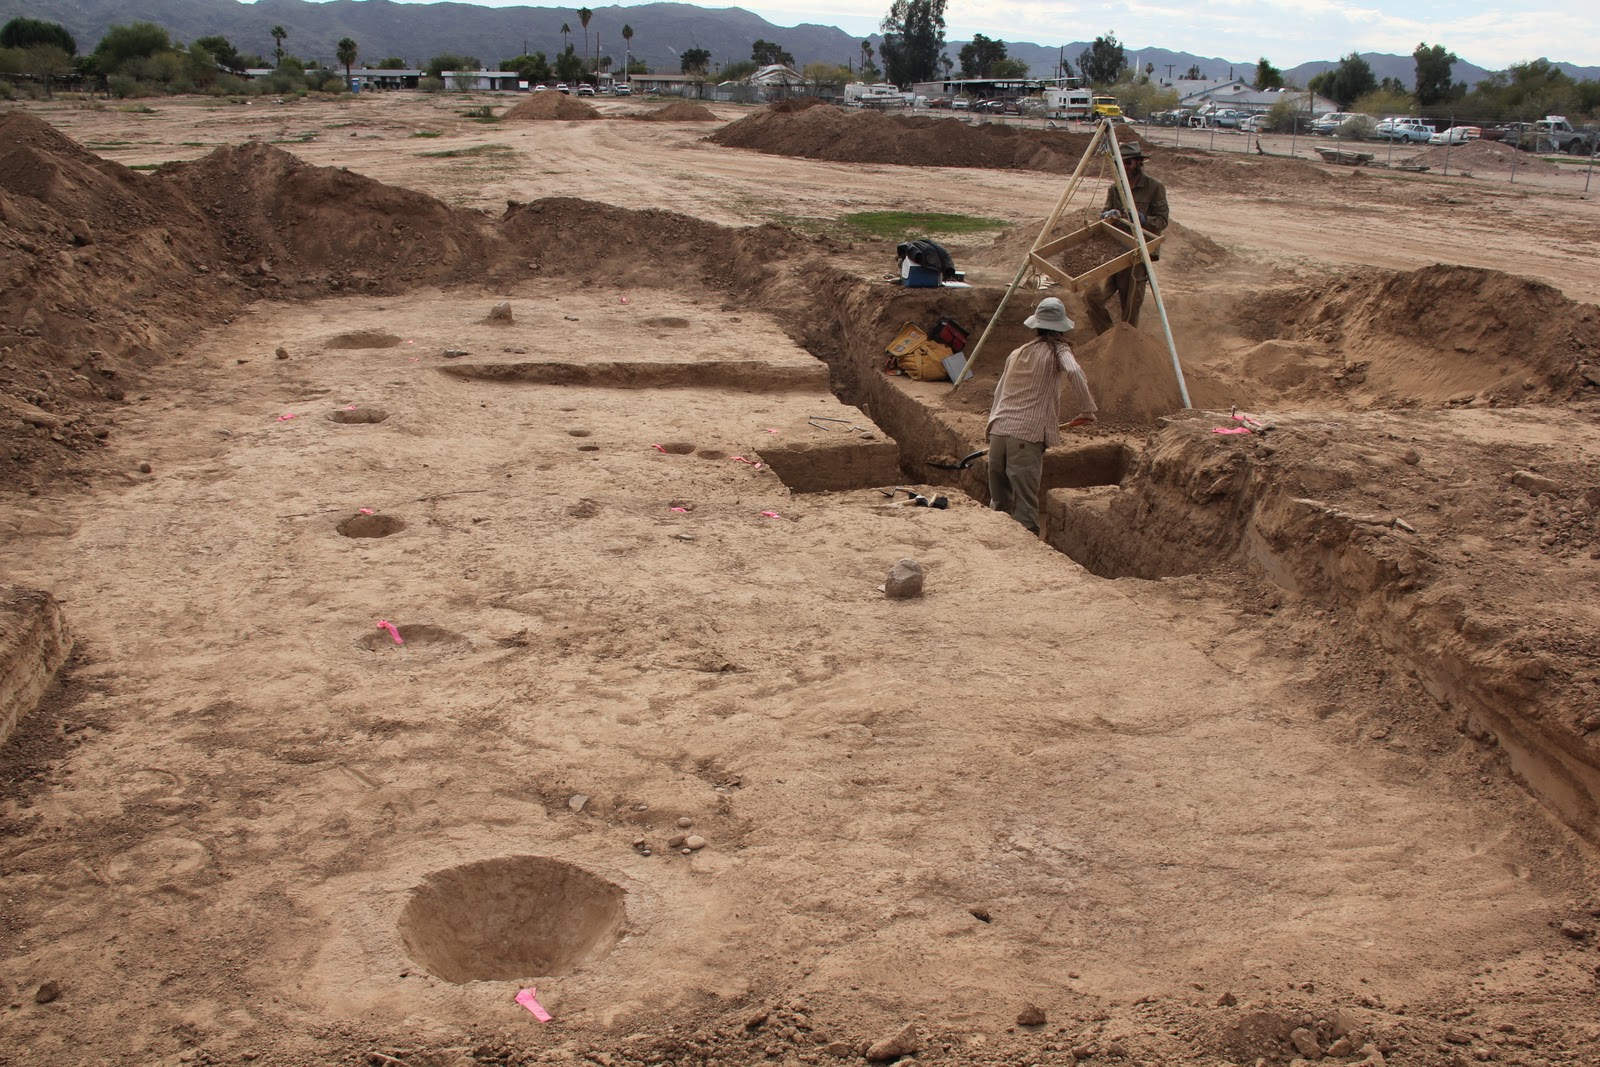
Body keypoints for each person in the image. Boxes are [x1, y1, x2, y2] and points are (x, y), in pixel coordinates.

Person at [985, 297, 1097, 535]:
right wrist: (1087, 409)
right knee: (1025, 506)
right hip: (1027, 436)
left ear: (1036, 325)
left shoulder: (1017, 352)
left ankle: (996, 546)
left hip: (998, 431)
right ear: (1061, 327)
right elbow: (1075, 371)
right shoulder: (1058, 350)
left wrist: (992, 428)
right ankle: (1025, 552)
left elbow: (999, 392)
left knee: (999, 503)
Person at [1085, 141, 1169, 335]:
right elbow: (1104, 213)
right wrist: (1108, 215)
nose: (1124, 167)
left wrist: (1142, 219)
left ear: (1138, 162)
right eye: (1120, 163)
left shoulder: (1154, 188)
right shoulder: (1115, 188)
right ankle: (1108, 336)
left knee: (1130, 305)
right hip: (1115, 251)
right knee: (1091, 296)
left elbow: (1162, 221)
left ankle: (1127, 340)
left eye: (1128, 162)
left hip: (1138, 253)